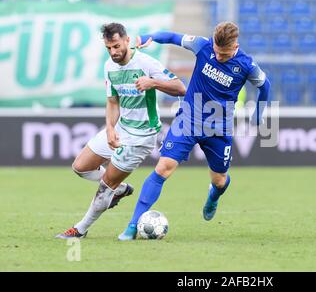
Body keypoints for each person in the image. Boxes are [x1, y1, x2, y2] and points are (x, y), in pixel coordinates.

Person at [118, 21, 271, 240]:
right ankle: (133, 225)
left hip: (219, 128)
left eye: (224, 54)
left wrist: (259, 114)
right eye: (217, 52)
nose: (219, 57)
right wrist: (148, 36)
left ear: (235, 45)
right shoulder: (202, 45)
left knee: (219, 180)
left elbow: (265, 86)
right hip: (188, 119)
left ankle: (214, 195)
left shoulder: (246, 65)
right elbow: (171, 36)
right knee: (163, 168)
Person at [56, 23, 186, 238]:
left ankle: (80, 229)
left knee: (106, 185)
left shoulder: (145, 62)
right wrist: (109, 129)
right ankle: (121, 189)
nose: (113, 52)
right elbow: (113, 102)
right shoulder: (109, 66)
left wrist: (153, 83)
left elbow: (180, 88)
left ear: (126, 40)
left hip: (141, 136)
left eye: (116, 46)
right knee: (80, 167)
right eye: (109, 48)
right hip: (121, 128)